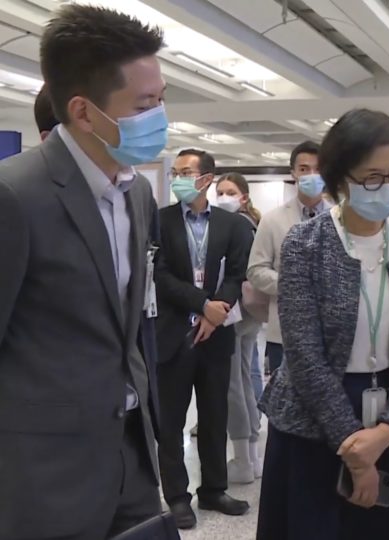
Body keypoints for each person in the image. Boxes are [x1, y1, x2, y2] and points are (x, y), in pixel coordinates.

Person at [0, 6, 165, 538]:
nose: (159, 116)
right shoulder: (14, 195)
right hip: (47, 472)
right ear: (84, 111)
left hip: (132, 457)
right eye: (145, 105)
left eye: (162, 100)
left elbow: (123, 326)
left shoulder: (136, 192)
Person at [257, 109, 389, 539]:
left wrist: (386, 432)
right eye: (372, 178)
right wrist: (354, 450)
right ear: (340, 180)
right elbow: (303, 355)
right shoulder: (306, 244)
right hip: (314, 416)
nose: (388, 188)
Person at [154, 149, 251, 529]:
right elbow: (160, 275)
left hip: (216, 338)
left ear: (206, 179)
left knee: (214, 416)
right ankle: (177, 496)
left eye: (185, 172)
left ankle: (214, 489)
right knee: (172, 421)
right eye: (174, 172)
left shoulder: (233, 226)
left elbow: (237, 273)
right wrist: (203, 305)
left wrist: (219, 309)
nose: (177, 177)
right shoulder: (159, 222)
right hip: (174, 333)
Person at [247, 140, 333, 378]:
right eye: (304, 169)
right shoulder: (273, 220)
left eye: (318, 169)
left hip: (333, 333)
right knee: (283, 405)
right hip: (284, 333)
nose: (311, 175)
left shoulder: (342, 219)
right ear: (293, 173)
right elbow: (256, 270)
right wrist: (293, 285)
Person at [215, 172, 264, 484]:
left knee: (232, 383)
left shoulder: (236, 226)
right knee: (244, 378)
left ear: (244, 196)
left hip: (233, 312)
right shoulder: (252, 223)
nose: (223, 197)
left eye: (229, 192)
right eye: (219, 192)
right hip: (249, 314)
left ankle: (244, 460)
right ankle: (253, 456)